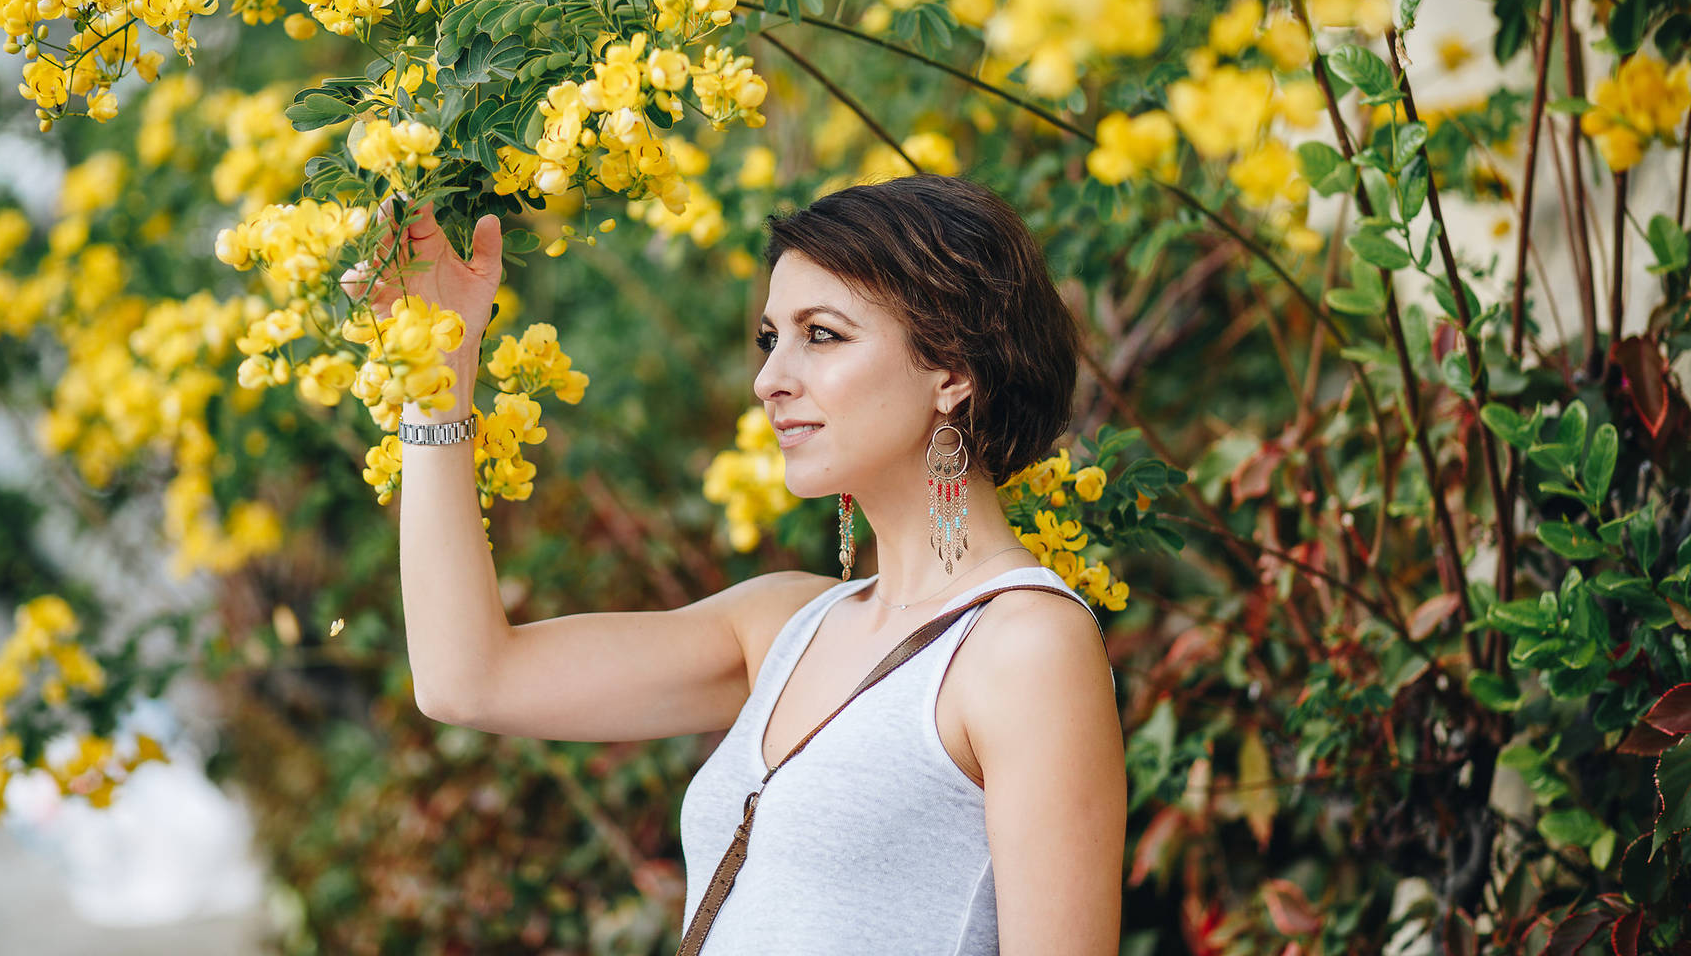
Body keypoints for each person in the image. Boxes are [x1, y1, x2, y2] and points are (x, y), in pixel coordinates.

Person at [343, 173, 1124, 954]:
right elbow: (466, 680)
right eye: (770, 338)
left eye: (821, 334)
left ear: (953, 371)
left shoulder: (1024, 648)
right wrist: (437, 380)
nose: (769, 379)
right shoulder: (782, 625)